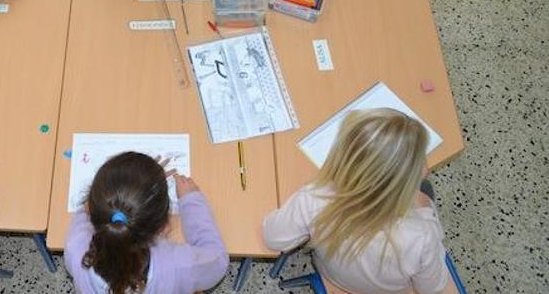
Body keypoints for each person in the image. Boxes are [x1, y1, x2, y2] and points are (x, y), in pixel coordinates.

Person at [263, 108, 450, 294]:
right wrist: (427, 213)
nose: (425, 166)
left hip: (332, 275)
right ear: (402, 182)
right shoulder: (422, 235)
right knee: (426, 189)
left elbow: (272, 238)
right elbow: (433, 288)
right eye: (421, 159)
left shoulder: (313, 198)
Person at [65, 152, 228, 294]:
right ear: (163, 228)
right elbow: (218, 262)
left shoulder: (75, 249)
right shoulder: (179, 265)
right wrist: (192, 201)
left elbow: (88, 209)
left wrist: (137, 190)